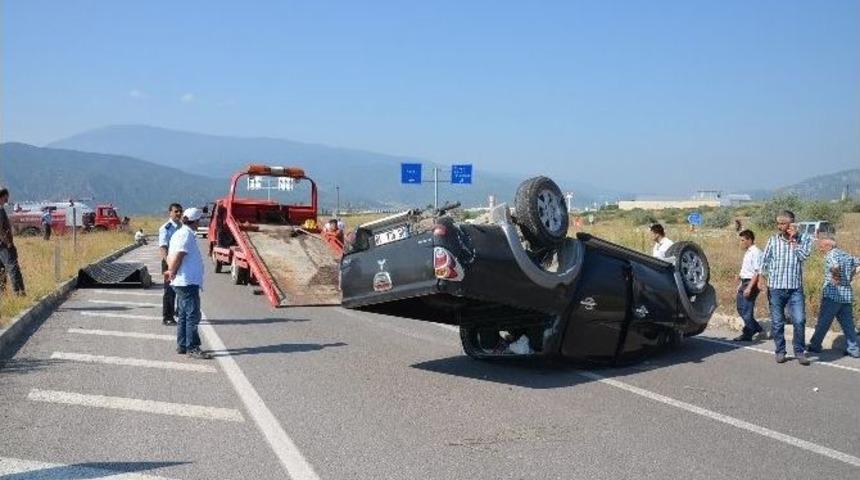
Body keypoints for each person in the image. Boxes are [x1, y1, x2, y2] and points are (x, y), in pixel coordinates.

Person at [760, 210, 814, 365]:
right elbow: (765, 261)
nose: (779, 226)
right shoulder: (773, 240)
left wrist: (794, 241)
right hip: (776, 288)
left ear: (792, 224)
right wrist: (761, 279)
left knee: (799, 320)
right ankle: (780, 351)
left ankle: (799, 351)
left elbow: (803, 256)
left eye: (783, 223)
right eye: (778, 223)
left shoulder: (804, 239)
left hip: (795, 288)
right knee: (777, 323)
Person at [166, 207, 211, 359]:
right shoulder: (186, 235)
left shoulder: (180, 232)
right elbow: (180, 254)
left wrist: (171, 271)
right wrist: (172, 271)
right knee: (192, 315)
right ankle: (192, 347)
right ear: (196, 221)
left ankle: (182, 345)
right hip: (186, 281)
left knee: (184, 315)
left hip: (183, 281)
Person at [807, 236, 859, 358]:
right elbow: (857, 262)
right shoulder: (845, 255)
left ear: (829, 246)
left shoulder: (831, 255)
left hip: (833, 294)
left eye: (821, 246)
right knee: (848, 324)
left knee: (823, 322)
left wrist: (836, 277)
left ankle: (815, 345)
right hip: (846, 295)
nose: (820, 249)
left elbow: (835, 266)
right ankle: (854, 349)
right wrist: (851, 275)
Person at [733, 229, 764, 341]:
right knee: (741, 308)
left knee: (746, 309)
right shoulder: (749, 252)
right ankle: (756, 328)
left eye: (742, 240)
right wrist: (740, 280)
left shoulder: (756, 252)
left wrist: (750, 287)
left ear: (749, 240)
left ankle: (749, 333)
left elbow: (757, 271)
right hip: (745, 282)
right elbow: (747, 269)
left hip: (751, 282)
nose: (741, 242)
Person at [158, 203, 183, 326]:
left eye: (180, 211)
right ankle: (167, 317)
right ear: (170, 213)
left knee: (182, 287)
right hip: (169, 261)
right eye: (176, 211)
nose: (178, 213)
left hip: (180, 261)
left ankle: (179, 312)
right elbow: (163, 248)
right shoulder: (166, 228)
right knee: (170, 290)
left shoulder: (181, 226)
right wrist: (169, 265)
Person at [0, 187, 26, 296]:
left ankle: (2, 293)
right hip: (4, 245)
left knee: (1, 269)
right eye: (6, 197)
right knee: (12, 267)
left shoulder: (1, 209)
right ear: (2, 196)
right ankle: (19, 293)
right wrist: (8, 243)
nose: (7, 200)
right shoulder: (0, 210)